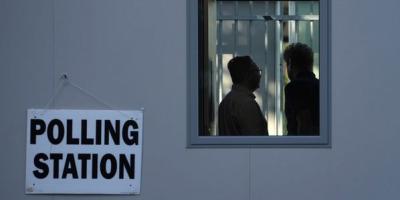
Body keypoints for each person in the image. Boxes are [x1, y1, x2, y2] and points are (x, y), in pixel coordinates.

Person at [218, 56, 268, 136]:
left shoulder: (225, 102)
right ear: (247, 75)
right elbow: (257, 142)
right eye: (257, 71)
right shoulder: (246, 104)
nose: (260, 75)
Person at [283, 43, 319, 135]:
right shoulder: (320, 85)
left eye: (286, 64)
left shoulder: (294, 87)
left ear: (290, 63)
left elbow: (304, 122)